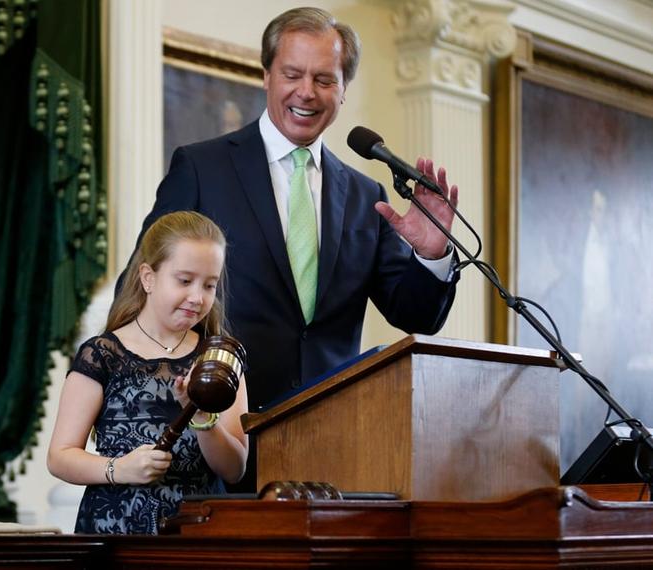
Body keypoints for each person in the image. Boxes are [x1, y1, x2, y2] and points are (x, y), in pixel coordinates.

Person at [129, 7, 460, 490]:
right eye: (293, 74)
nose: (306, 91)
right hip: (215, 446)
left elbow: (417, 316)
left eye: (325, 79)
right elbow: (139, 294)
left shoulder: (368, 197)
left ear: (344, 90)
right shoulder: (202, 168)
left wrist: (432, 256)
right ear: (266, 76)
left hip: (329, 453)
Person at [48, 211, 249, 534]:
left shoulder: (219, 358)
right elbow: (60, 456)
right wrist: (120, 469)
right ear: (148, 277)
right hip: (114, 532)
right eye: (184, 281)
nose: (197, 297)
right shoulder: (102, 354)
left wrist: (200, 417)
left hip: (199, 533)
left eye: (209, 285)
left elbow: (233, 469)